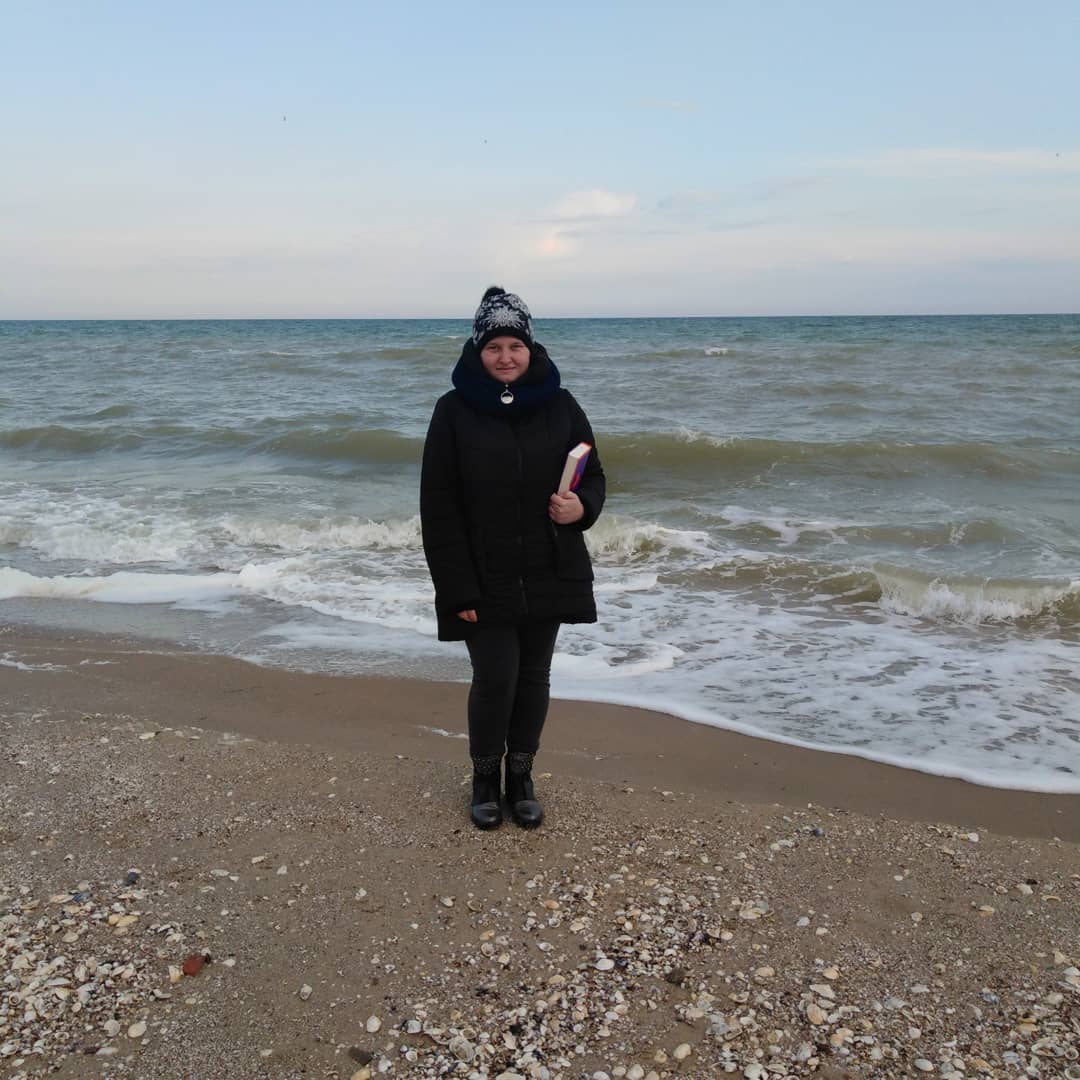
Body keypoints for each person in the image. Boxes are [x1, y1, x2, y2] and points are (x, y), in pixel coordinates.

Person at [420, 286, 606, 830]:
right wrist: (457, 588)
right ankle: (484, 779)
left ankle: (521, 778)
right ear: (478, 350)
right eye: (494, 346)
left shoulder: (562, 405)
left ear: (531, 347)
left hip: (550, 568)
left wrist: (581, 507)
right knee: (496, 677)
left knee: (534, 677)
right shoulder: (453, 411)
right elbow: (438, 507)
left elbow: (593, 474)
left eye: (515, 346)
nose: (505, 357)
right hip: (483, 575)